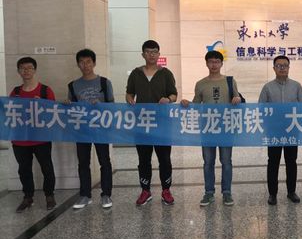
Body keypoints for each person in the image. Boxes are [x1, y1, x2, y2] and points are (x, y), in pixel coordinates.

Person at [181, 50, 241, 207]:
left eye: (217, 62)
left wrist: (237, 99)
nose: (214, 64)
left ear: (221, 64)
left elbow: (237, 99)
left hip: (226, 127)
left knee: (226, 161)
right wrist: (187, 104)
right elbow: (196, 105)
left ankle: (226, 192)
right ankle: (209, 193)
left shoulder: (230, 81)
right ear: (206, 63)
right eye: (211, 61)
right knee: (208, 162)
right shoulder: (200, 84)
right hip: (207, 127)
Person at [126, 40, 178, 206]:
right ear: (143, 54)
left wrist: (168, 99)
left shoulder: (166, 73)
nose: (151, 55)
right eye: (148, 52)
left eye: (154, 52)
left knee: (165, 159)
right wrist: (130, 100)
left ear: (159, 54)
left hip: (163, 125)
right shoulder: (135, 73)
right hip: (142, 125)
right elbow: (129, 93)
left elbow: (174, 95)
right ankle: (145, 191)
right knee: (143, 159)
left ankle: (166, 190)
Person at [66, 49, 115, 209]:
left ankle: (106, 194)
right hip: (82, 130)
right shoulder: (73, 85)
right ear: (78, 64)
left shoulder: (104, 83)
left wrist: (101, 105)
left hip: (101, 129)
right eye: (82, 62)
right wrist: (66, 105)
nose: (85, 65)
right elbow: (71, 109)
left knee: (104, 162)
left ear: (94, 63)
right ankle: (85, 195)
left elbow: (112, 106)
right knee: (83, 163)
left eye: (88, 61)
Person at [9, 57, 57, 213]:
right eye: (23, 68)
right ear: (18, 71)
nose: (26, 71)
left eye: (29, 68)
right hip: (20, 139)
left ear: (35, 70)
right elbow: (9, 113)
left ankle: (49, 195)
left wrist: (42, 105)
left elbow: (54, 114)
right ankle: (28, 197)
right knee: (24, 169)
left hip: (41, 138)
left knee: (47, 168)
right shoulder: (15, 92)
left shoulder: (45, 91)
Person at [259, 55, 302, 205]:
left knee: (291, 161)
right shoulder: (267, 87)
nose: (282, 68)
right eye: (279, 66)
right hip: (274, 131)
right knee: (273, 162)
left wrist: (300, 125)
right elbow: (261, 108)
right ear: (274, 68)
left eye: (285, 65)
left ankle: (291, 191)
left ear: (289, 67)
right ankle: (272, 194)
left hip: (292, 131)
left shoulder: (297, 86)